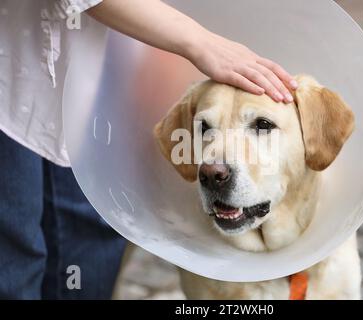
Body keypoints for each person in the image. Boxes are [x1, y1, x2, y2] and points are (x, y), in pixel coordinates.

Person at [0, 0, 297, 299]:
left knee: (88, 233)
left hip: (96, 63)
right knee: (15, 252)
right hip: (9, 69)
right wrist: (199, 42)